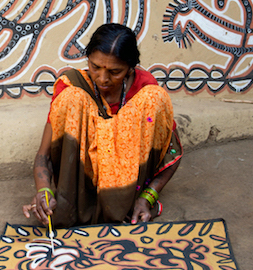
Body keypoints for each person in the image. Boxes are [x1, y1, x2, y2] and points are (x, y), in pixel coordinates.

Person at [22, 23, 182, 227]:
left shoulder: (145, 90)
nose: (103, 78)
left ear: (130, 68)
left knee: (155, 98)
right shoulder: (73, 86)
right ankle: (73, 204)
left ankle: (125, 201)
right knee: (72, 97)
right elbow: (43, 155)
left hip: (129, 194)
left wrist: (147, 198)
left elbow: (172, 152)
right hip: (79, 193)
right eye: (95, 67)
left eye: (115, 71)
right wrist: (43, 191)